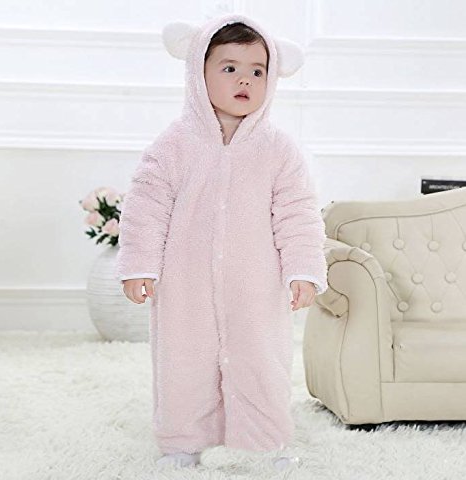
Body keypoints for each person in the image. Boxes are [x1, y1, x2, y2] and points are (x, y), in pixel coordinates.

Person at [116, 13, 328, 472]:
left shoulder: (278, 149)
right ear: (199, 72)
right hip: (184, 285)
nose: (244, 80)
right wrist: (139, 265)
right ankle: (182, 442)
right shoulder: (176, 143)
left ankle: (268, 442)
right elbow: (146, 205)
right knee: (183, 364)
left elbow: (298, 213)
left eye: (257, 71)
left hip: (256, 286)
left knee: (262, 363)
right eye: (229, 67)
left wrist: (303, 269)